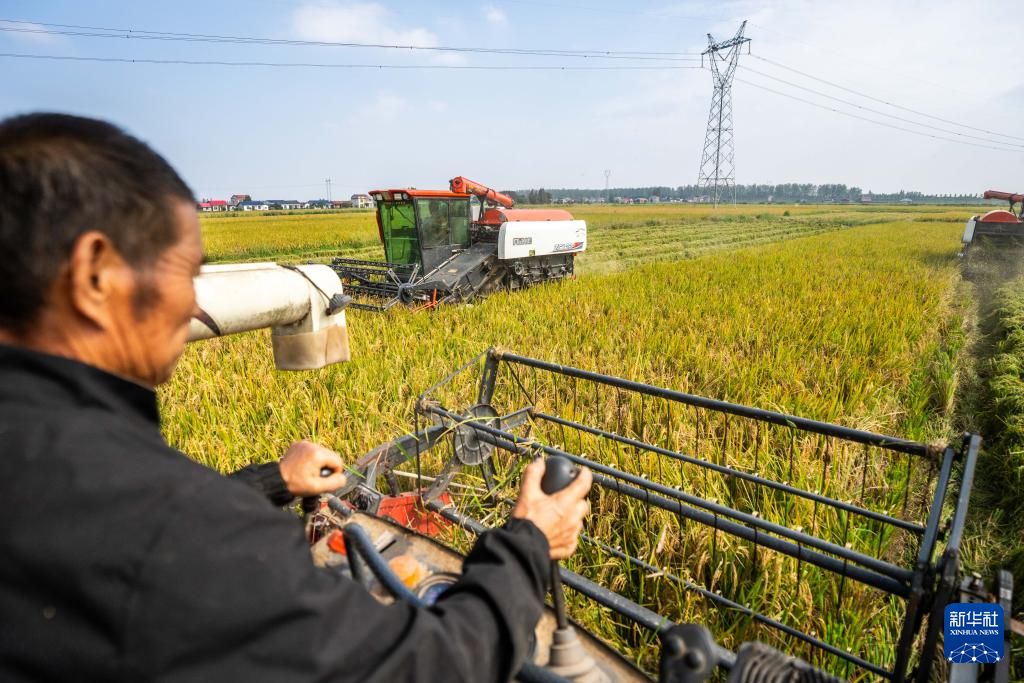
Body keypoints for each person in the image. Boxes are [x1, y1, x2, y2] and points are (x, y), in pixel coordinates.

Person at [0, 113, 593, 682]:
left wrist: (273, 481)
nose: (194, 304)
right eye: (184, 273)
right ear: (96, 274)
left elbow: (127, 528)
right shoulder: (172, 533)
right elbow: (436, 667)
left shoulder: (49, 464)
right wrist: (530, 542)